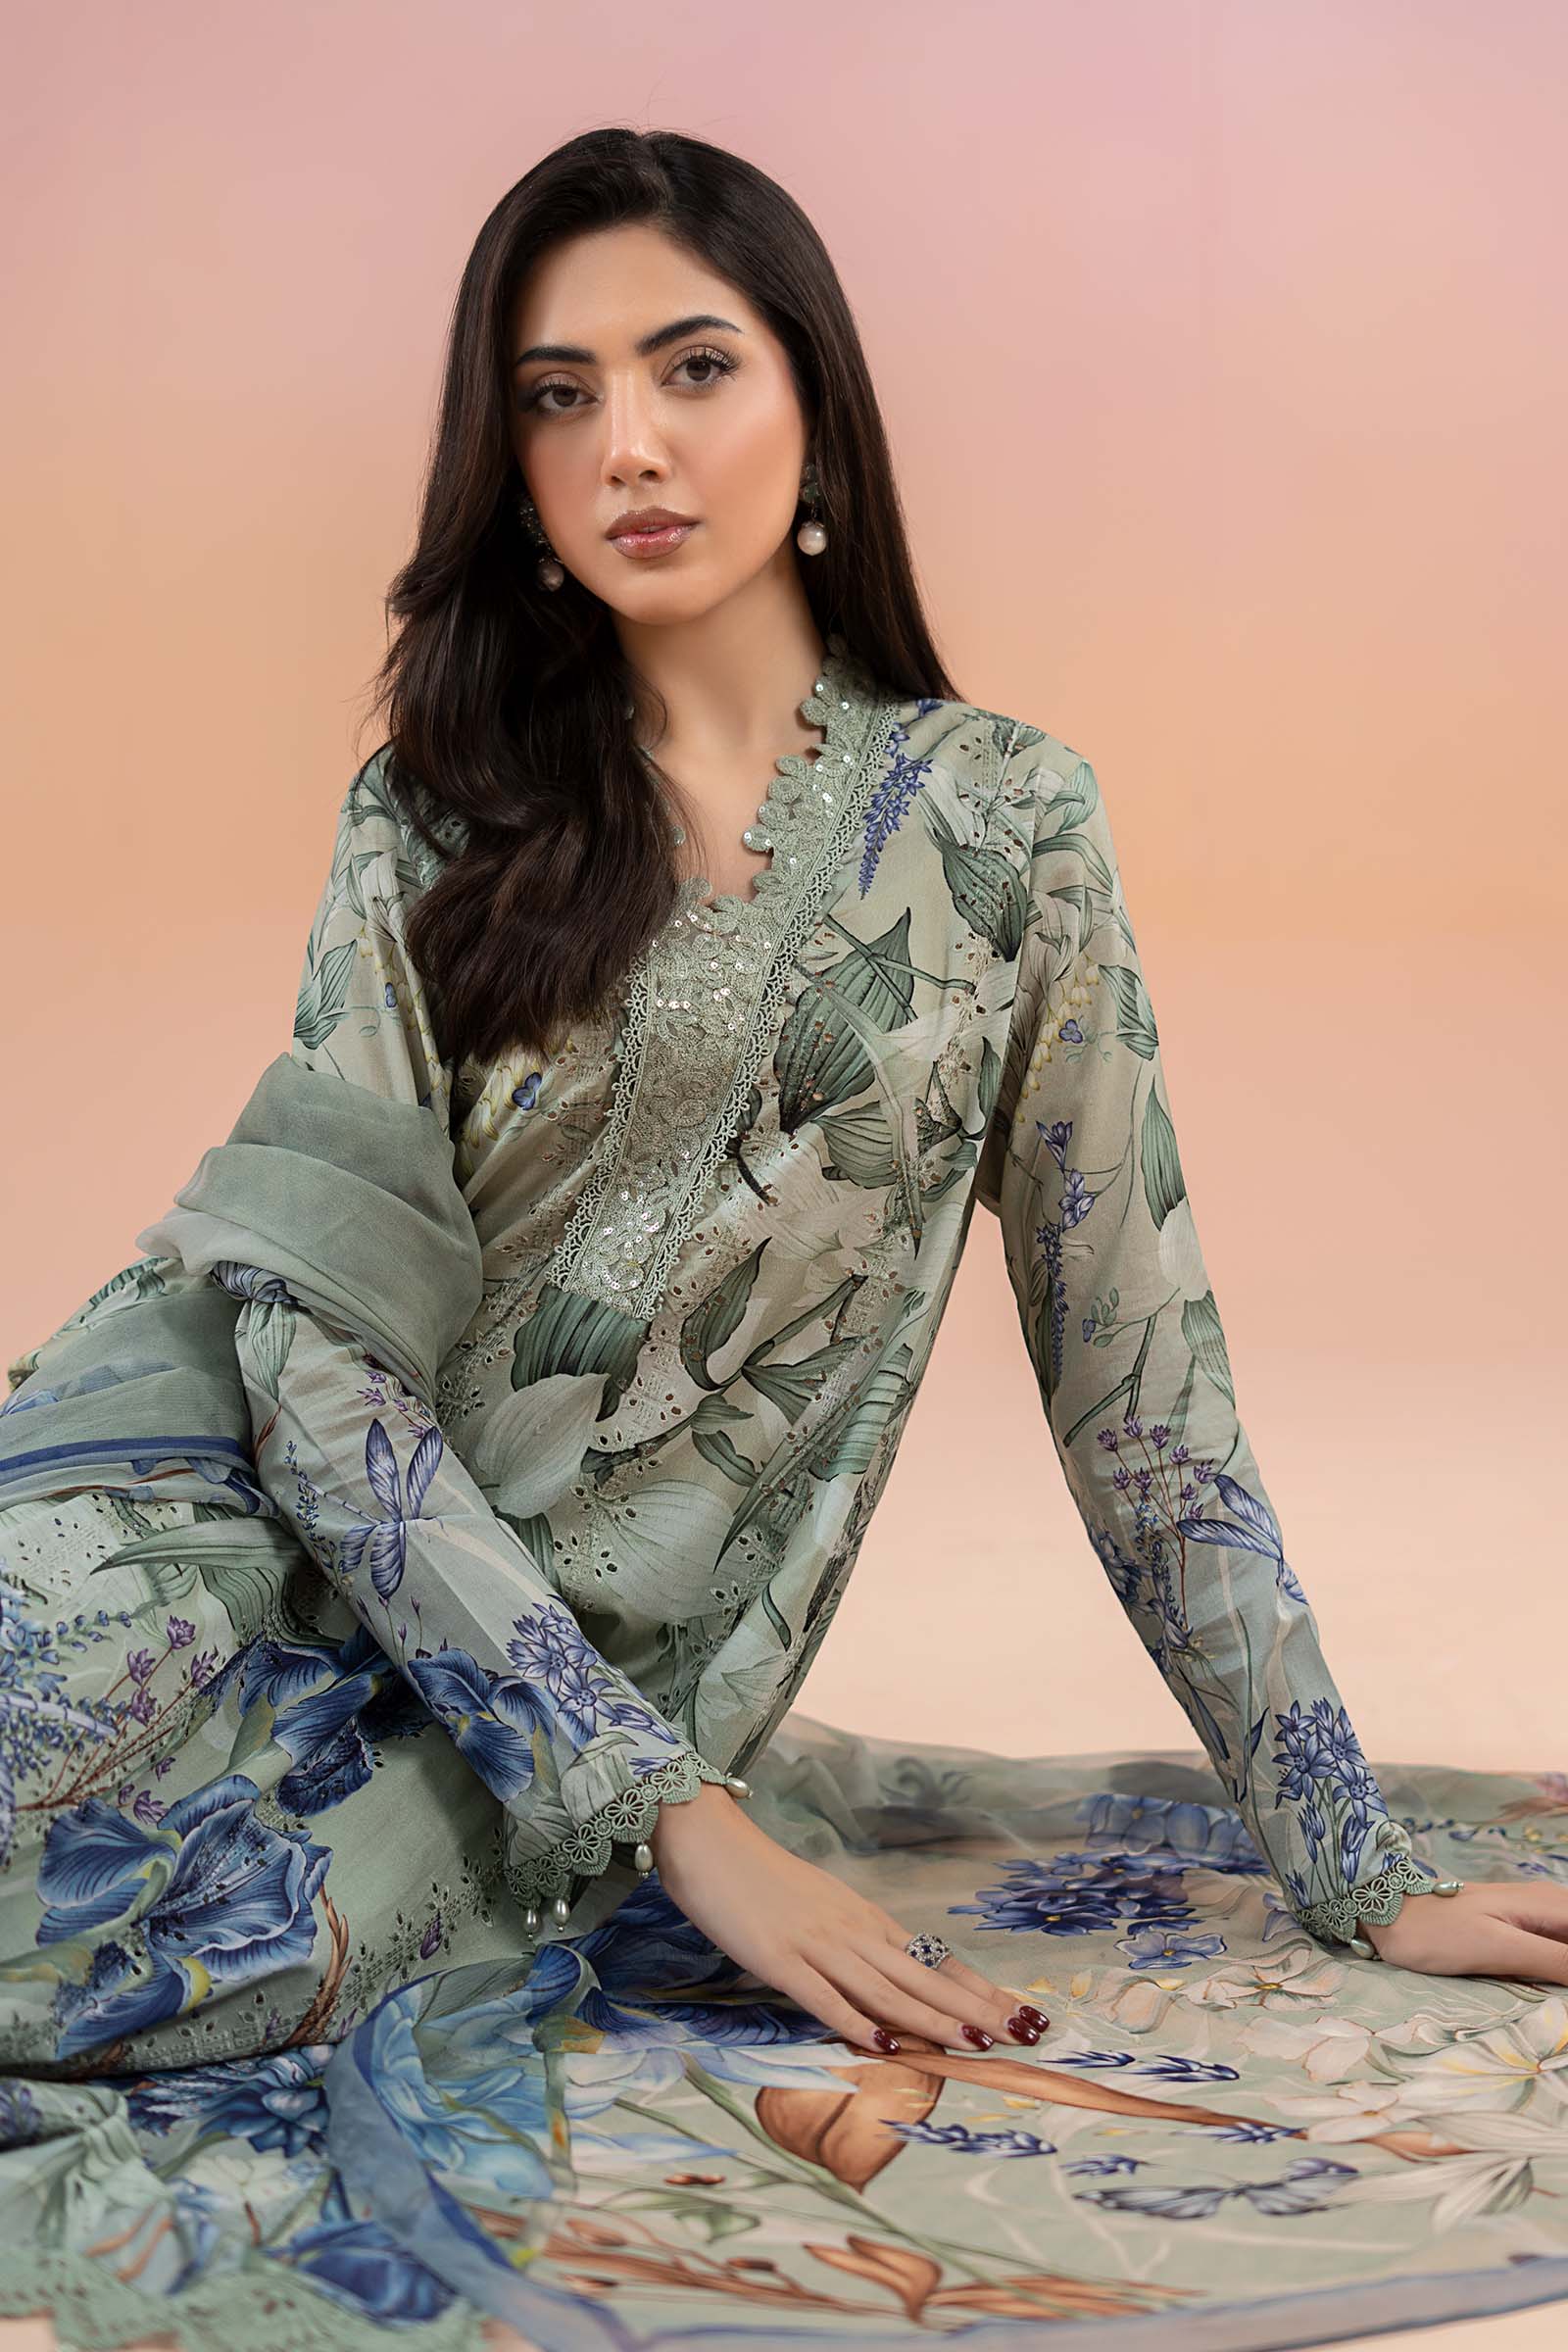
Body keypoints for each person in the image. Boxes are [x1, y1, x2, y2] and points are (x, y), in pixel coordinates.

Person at [4, 123, 1566, 2326]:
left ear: (815, 409)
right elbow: (308, 1356)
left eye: (693, 367)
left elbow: (1140, 1384)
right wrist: (678, 1817)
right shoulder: (439, 814)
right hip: (182, 1534)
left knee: (122, 1958)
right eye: (556, 396)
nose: (626, 446)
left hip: (460, 1766)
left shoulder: (1006, 828)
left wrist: (1346, 1853)